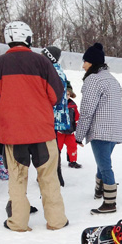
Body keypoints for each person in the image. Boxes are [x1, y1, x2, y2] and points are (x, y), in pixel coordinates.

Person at [0, 21, 68, 232]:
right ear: (28, 38)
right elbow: (56, 94)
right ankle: (56, 221)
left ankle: (18, 222)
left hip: (13, 134)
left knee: (17, 179)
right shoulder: (42, 62)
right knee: (48, 177)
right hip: (42, 131)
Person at [75, 42, 122, 214]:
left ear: (93, 63)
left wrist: (78, 135)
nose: (83, 66)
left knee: (105, 166)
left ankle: (109, 203)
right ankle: (99, 190)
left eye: (85, 62)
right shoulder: (112, 80)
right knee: (102, 162)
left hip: (100, 130)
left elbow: (87, 110)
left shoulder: (93, 80)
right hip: (114, 130)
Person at [42, 45, 70, 187]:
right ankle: (55, 174)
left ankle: (55, 175)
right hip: (55, 114)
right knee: (52, 145)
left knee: (51, 146)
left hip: (52, 114)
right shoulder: (57, 70)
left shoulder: (52, 72)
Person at [62, 81, 81, 169]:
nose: (67, 96)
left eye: (68, 94)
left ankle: (72, 161)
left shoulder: (73, 105)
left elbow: (77, 116)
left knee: (73, 146)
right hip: (59, 132)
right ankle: (55, 162)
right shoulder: (58, 105)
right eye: (65, 94)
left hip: (70, 131)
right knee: (57, 147)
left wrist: (77, 125)